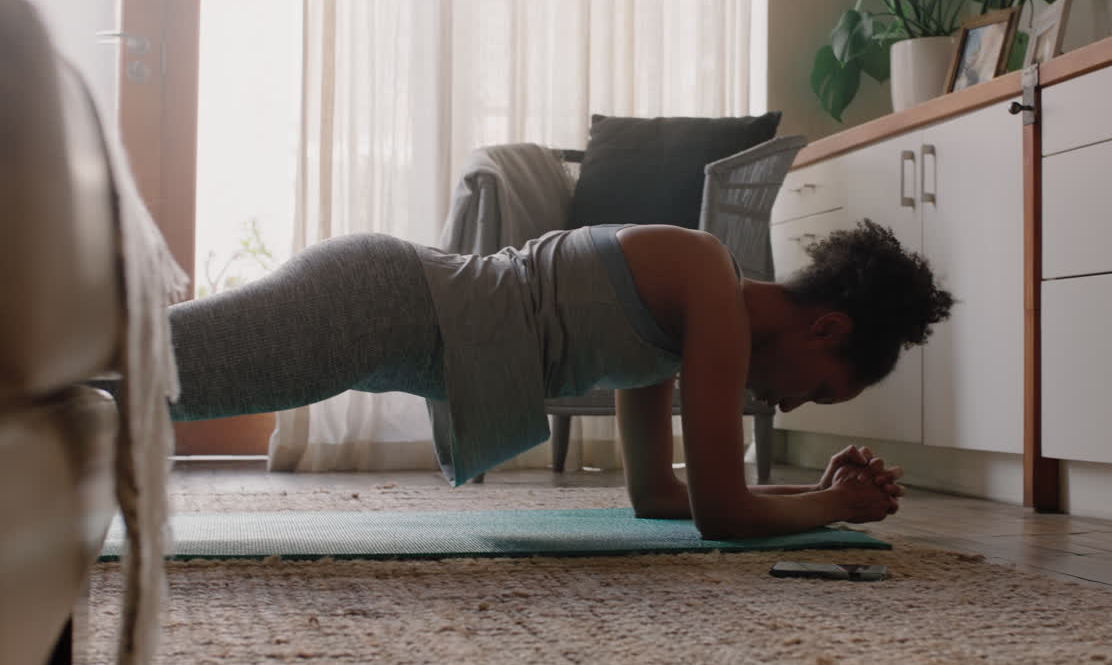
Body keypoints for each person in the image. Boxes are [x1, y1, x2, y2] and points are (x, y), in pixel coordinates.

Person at [160, 218, 953, 539]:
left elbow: (662, 498)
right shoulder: (707, 280)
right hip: (378, 301)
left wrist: (816, 494)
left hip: (381, 313)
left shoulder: (682, 326)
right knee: (136, 369)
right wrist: (833, 505)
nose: (787, 402)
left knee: (132, 375)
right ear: (827, 328)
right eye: (820, 387)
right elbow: (721, 514)